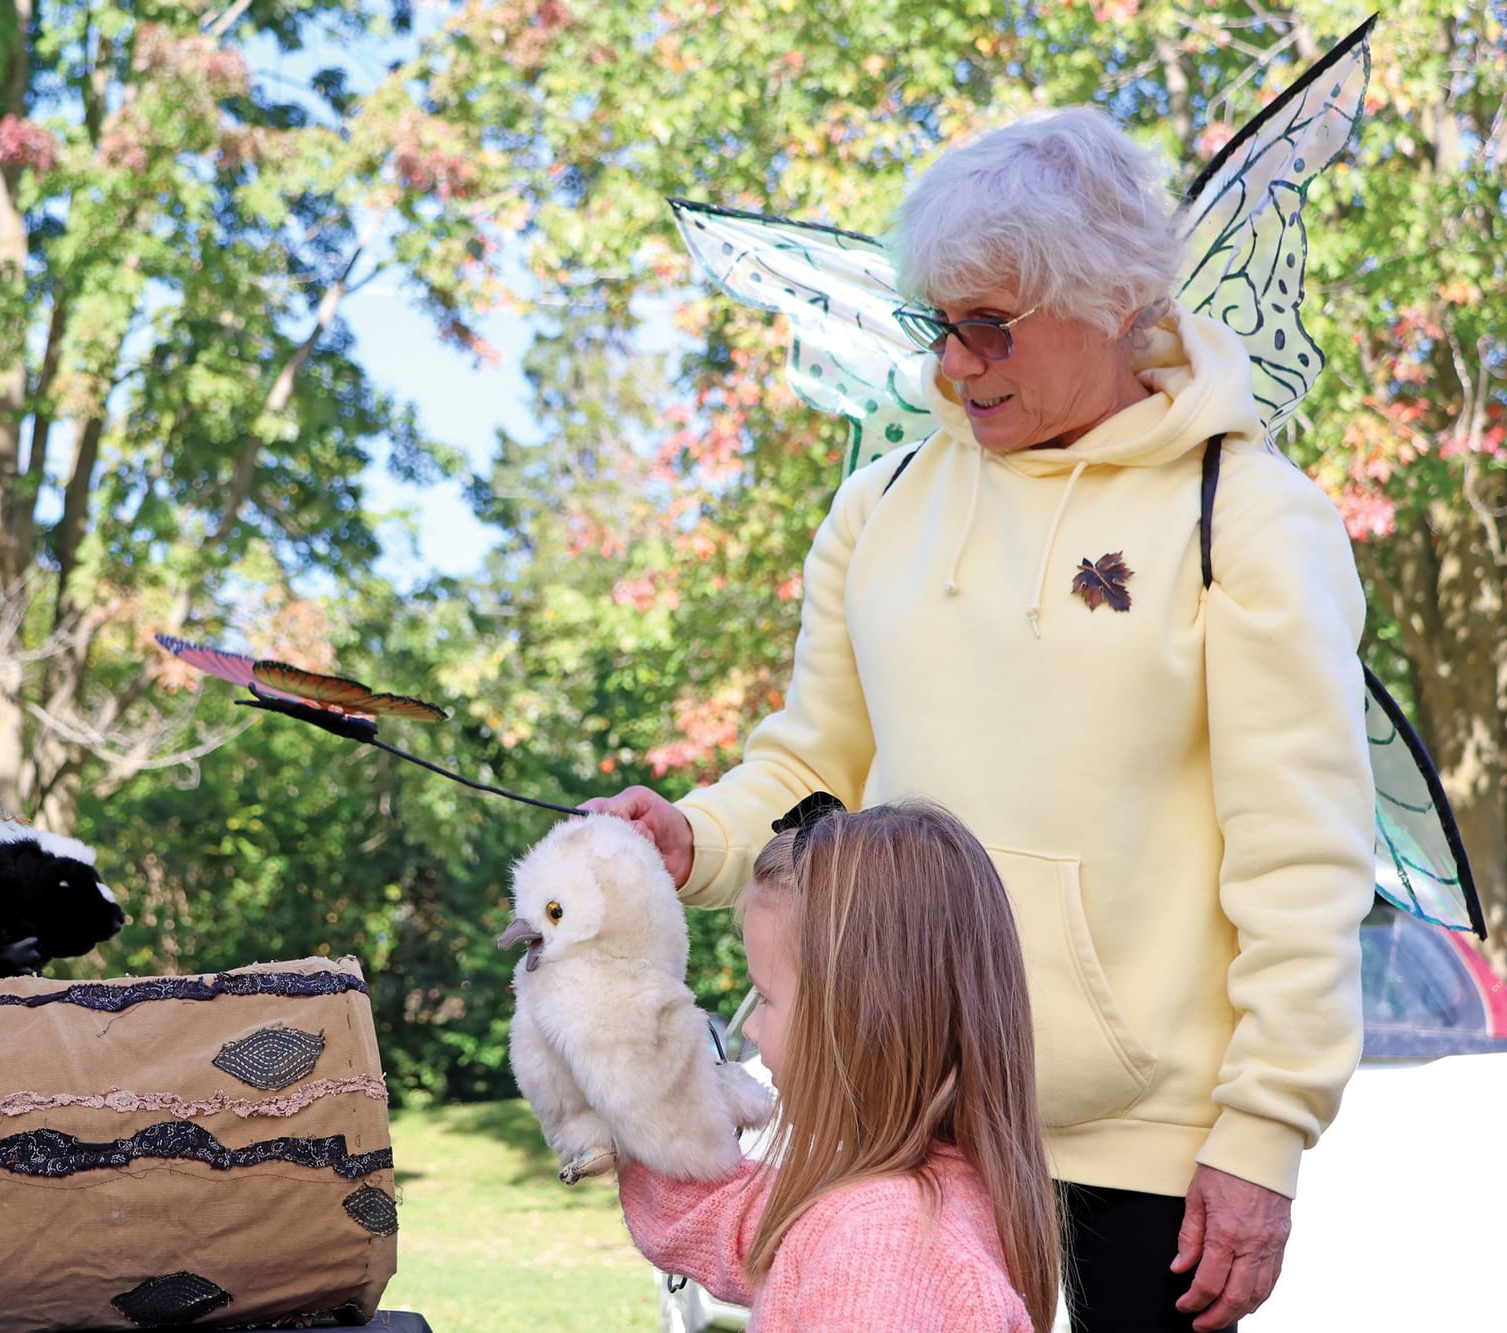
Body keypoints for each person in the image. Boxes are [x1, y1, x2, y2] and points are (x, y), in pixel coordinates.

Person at [589, 107, 1375, 1333]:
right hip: (914, 1113)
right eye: (937, 323)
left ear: (1114, 297)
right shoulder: (880, 506)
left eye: (988, 324)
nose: (951, 364)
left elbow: (1300, 854)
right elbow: (810, 763)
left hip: (1146, 1151)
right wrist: (694, 839)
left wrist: (1261, 1135)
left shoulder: (1251, 518)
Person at [619, 799, 1055, 1332]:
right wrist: (624, 1103)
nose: (751, 1028)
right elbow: (734, 1225)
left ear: (860, 1015)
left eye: (766, 997)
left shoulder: (877, 1247)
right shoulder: (934, 1197)